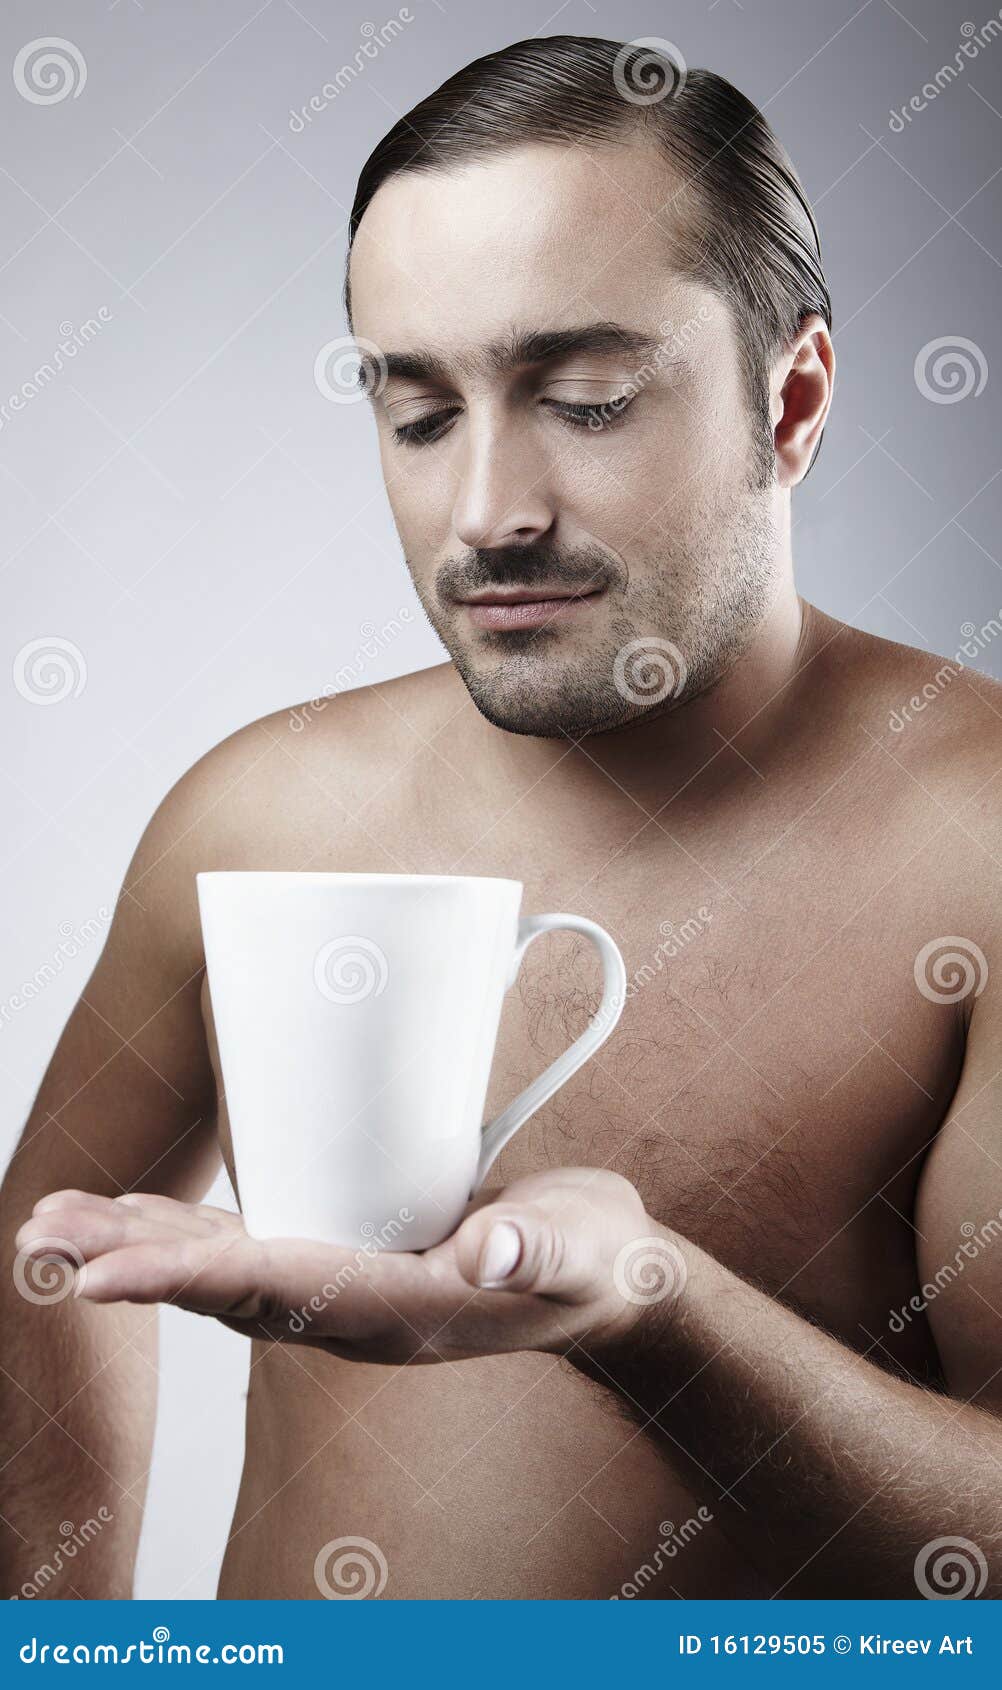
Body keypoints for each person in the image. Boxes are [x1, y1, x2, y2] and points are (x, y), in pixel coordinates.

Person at [4, 36, 1001, 1602]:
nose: (485, 513)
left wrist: (653, 1315)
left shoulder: (979, 841)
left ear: (792, 398)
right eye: (415, 414)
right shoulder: (256, 813)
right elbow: (43, 1265)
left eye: (586, 401)